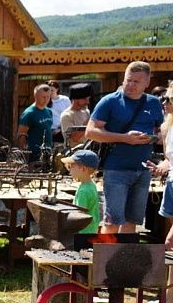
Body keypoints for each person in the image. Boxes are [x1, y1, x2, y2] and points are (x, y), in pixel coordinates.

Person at [85, 61, 163, 234]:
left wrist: (151, 138)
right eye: (128, 80)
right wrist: (125, 138)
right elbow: (90, 132)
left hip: (143, 170)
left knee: (131, 222)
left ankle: (124, 260)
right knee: (112, 222)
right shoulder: (110, 101)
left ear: (147, 83)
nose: (131, 85)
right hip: (116, 170)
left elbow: (161, 135)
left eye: (136, 81)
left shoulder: (154, 103)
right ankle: (105, 260)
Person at [146, 86, 173, 303]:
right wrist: (162, 167)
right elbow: (169, 159)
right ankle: (170, 299)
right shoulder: (168, 126)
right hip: (172, 183)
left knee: (170, 243)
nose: (163, 103)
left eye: (168, 99)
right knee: (171, 246)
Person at [61, 150, 100, 234]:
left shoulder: (83, 191)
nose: (69, 169)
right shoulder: (91, 184)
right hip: (91, 228)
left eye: (72, 166)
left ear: (83, 169)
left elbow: (78, 215)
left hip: (83, 231)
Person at [17, 84, 53, 161]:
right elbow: (21, 136)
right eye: (43, 97)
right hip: (33, 154)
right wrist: (22, 155)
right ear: (36, 96)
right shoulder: (29, 113)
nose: (46, 99)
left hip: (47, 152)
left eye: (48, 97)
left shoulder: (49, 111)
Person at [60, 83, 93, 147]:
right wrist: (89, 121)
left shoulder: (86, 112)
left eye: (88, 99)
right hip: (73, 153)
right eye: (85, 99)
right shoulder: (66, 116)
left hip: (88, 150)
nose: (87, 102)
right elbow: (74, 138)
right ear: (75, 99)